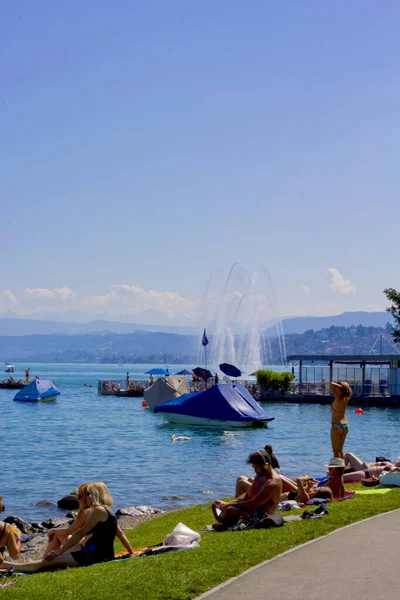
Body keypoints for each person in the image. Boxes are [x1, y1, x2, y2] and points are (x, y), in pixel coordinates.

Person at [0, 482, 118, 572]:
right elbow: (117, 533)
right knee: (48, 561)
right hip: (101, 555)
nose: (86, 497)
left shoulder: (97, 510)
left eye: (88, 494)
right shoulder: (108, 510)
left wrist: (60, 551)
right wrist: (130, 551)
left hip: (90, 557)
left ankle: (8, 566)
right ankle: (11, 565)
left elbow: (80, 533)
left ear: (96, 494)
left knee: (46, 563)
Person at [212, 450, 282, 531]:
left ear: (265, 465)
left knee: (230, 509)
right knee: (216, 504)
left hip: (262, 513)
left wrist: (229, 505)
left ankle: (224, 524)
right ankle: (225, 522)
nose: (255, 470)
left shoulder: (272, 483)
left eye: (256, 467)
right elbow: (248, 494)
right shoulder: (260, 475)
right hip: (253, 508)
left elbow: (254, 503)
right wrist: (229, 503)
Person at [330, 381, 352, 458]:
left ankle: (338, 469)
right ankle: (343, 468)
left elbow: (331, 384)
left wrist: (340, 387)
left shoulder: (337, 397)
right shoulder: (347, 397)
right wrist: (343, 387)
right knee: (340, 450)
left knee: (335, 451)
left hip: (336, 424)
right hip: (345, 425)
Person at [0, 496, 21, 562]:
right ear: (1, 510)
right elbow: (15, 555)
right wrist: (18, 538)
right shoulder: (5, 527)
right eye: (3, 508)